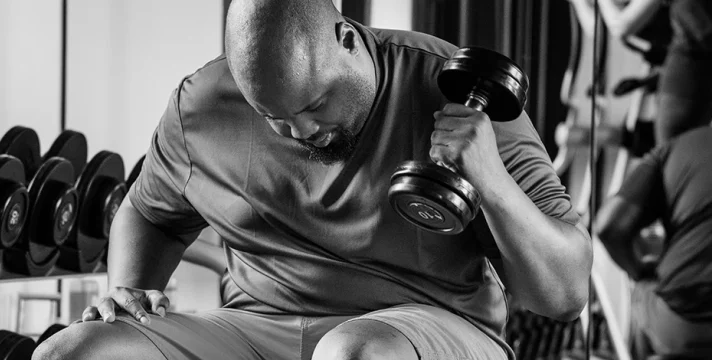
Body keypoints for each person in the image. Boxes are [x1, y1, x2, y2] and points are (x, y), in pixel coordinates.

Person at [33, 0, 592, 359]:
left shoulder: (453, 92)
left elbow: (564, 295)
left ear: (347, 38)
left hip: (422, 329)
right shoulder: (205, 105)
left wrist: (490, 179)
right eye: (275, 118)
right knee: (71, 353)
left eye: (316, 102)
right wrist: (129, 293)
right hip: (256, 327)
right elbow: (148, 211)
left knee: (352, 353)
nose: (304, 131)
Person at [595, 125, 712, 358]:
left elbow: (608, 227)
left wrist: (639, 273)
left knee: (643, 292)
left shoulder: (677, 148)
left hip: (687, 320)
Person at [568, 0, 712, 144]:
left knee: (672, 145)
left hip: (691, 68)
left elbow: (621, 26)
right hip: (683, 66)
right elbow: (597, 28)